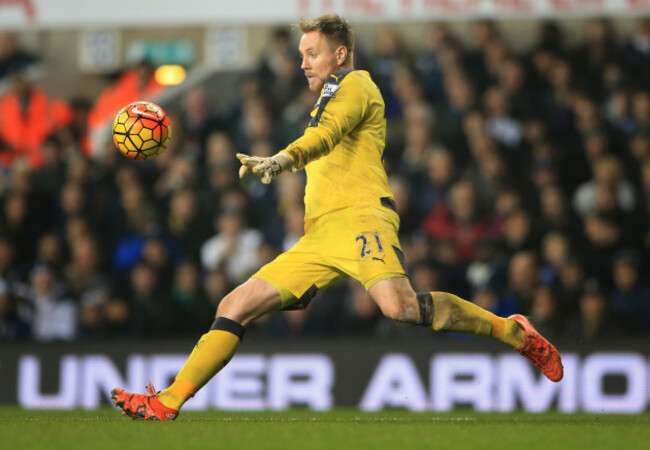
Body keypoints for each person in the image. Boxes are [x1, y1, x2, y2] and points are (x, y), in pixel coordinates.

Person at [112, 15, 563, 421]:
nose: (303, 64)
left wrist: (281, 160)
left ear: (340, 54)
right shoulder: (326, 99)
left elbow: (325, 137)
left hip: (362, 218)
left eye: (312, 54)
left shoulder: (357, 85)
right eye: (301, 55)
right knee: (235, 305)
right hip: (320, 236)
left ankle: (513, 331)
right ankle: (168, 401)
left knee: (401, 308)